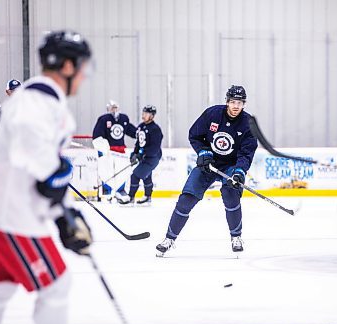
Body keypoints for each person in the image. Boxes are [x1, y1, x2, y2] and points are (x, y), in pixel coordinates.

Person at [0, 30, 93, 324]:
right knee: (57, 285)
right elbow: (36, 157)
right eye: (83, 68)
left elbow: (39, 166)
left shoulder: (35, 97)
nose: (84, 76)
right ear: (67, 66)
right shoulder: (39, 97)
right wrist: (57, 176)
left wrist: (64, 214)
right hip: (9, 213)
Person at [155, 85, 257, 256]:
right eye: (233, 102)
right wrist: (203, 152)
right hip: (208, 164)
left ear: (244, 104)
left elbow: (246, 152)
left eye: (239, 103)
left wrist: (240, 171)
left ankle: (236, 237)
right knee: (186, 199)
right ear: (227, 101)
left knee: (230, 194)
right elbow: (195, 135)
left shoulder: (248, 123)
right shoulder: (212, 114)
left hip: (231, 166)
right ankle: (169, 239)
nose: (235, 106)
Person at [92, 99, 137, 202]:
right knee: (106, 170)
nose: (114, 110)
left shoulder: (123, 119)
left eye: (116, 108)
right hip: (107, 151)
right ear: (108, 109)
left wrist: (140, 133)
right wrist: (103, 147)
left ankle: (120, 190)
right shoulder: (103, 119)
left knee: (122, 171)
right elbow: (97, 135)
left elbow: (131, 130)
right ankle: (107, 191)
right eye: (112, 108)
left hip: (120, 150)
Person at [120, 104, 163, 205]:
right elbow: (139, 143)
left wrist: (141, 154)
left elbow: (155, 147)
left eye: (146, 113)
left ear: (152, 116)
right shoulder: (141, 127)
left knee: (135, 175)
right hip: (145, 156)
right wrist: (134, 153)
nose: (143, 115)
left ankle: (131, 197)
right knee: (146, 175)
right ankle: (147, 196)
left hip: (153, 157)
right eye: (143, 113)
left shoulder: (155, 129)